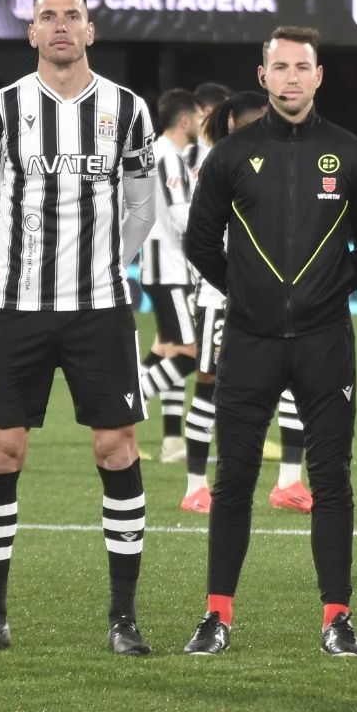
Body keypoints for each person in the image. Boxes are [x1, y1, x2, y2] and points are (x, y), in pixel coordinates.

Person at [0, 0, 159, 657]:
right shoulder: (4, 107)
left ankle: (124, 618)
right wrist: (12, 269)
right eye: (49, 16)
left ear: (91, 31)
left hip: (101, 310)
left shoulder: (127, 109)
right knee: (3, 449)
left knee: (116, 448)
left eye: (73, 16)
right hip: (17, 311)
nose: (62, 26)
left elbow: (141, 208)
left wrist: (107, 266)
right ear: (32, 32)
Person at [182, 26, 357, 657]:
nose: (293, 77)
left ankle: (337, 617)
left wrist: (326, 293)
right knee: (235, 477)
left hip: (326, 343)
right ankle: (217, 614)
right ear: (264, 74)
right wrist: (249, 295)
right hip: (249, 341)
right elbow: (200, 245)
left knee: (332, 479)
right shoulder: (230, 156)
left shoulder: (350, 154)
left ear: (319, 76)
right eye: (281, 67)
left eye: (303, 66)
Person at [181, 92, 315, 515]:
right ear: (236, 123)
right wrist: (232, 285)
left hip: (276, 298)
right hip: (222, 296)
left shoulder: (277, 162)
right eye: (258, 119)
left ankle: (289, 481)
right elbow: (201, 238)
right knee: (209, 384)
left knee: (293, 381)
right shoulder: (218, 162)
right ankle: (195, 486)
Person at [138, 88, 200, 470]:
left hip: (161, 267)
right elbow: (181, 218)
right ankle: (128, 400)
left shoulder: (156, 155)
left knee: (170, 350)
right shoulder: (168, 157)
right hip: (172, 269)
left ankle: (172, 441)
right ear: (185, 121)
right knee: (193, 354)